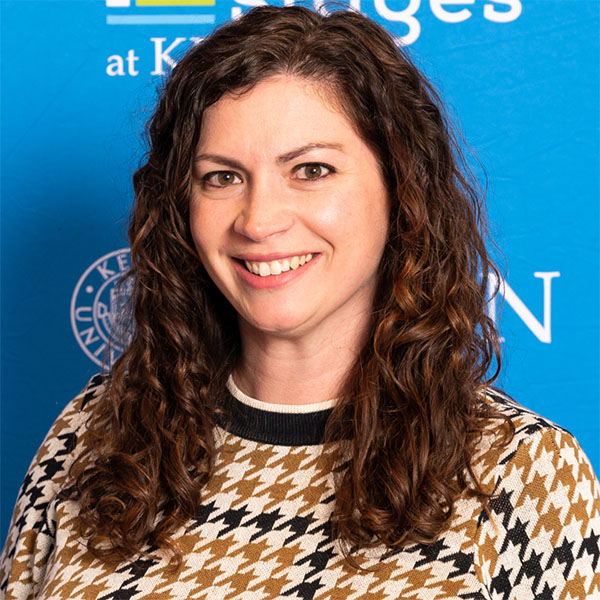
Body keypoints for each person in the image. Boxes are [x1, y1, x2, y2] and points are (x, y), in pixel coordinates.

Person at [2, 5, 599, 599]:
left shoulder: (521, 473)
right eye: (222, 176)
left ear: (402, 189)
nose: (259, 221)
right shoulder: (92, 431)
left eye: (311, 169)